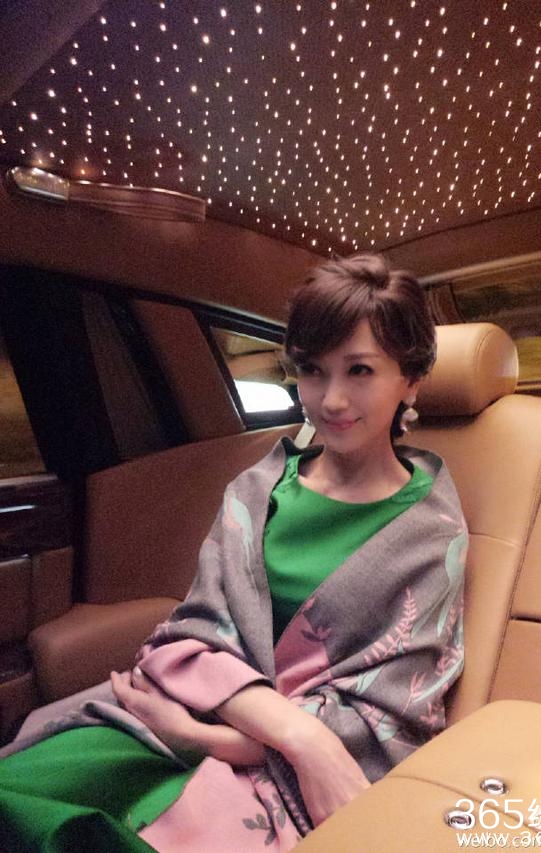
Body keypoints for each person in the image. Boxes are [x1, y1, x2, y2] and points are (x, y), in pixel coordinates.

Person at [0, 253, 467, 852]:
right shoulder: (254, 492)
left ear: (412, 379)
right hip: (174, 721)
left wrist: (212, 740)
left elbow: (390, 714)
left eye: (360, 371)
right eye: (312, 370)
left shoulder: (431, 535)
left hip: (267, 767)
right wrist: (293, 734)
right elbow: (188, 636)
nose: (331, 399)